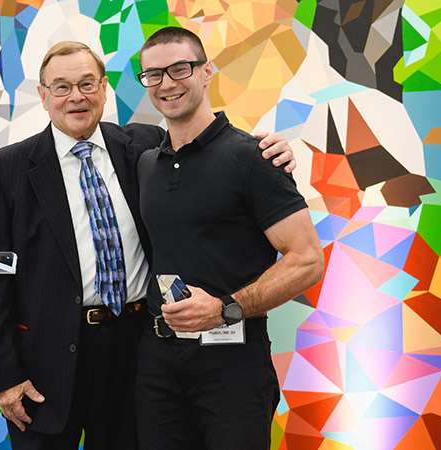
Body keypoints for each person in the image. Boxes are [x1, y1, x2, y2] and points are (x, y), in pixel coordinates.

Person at [0, 41, 296, 450]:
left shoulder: (145, 146)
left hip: (135, 351)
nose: (76, 97)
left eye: (87, 84)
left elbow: (209, 149)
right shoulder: (4, 170)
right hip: (45, 364)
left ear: (103, 88)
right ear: (43, 94)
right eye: (62, 87)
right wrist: (5, 376)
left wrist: (272, 150)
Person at [133, 27, 324, 450]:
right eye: (154, 74)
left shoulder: (253, 157)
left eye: (180, 69)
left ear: (206, 72)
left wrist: (225, 309)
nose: (166, 83)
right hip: (158, 366)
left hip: (233, 364)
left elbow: (308, 259)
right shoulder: (146, 163)